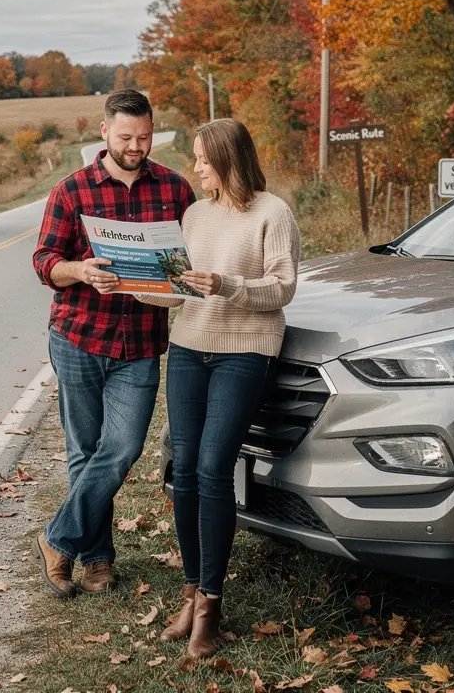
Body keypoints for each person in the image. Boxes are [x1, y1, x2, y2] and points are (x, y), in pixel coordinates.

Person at [138, 118, 299, 658]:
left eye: (204, 159)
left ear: (228, 160)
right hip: (188, 346)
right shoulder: (193, 215)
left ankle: (210, 603)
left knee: (212, 467)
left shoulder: (273, 213)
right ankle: (189, 592)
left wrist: (227, 284)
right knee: (183, 466)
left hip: (246, 350)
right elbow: (178, 294)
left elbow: (282, 288)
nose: (197, 167)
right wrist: (139, 287)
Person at [31, 90, 196, 598]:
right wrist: (80, 270)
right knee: (84, 450)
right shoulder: (72, 191)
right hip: (79, 336)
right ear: (104, 132)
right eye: (126, 137)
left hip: (142, 343)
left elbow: (193, 259)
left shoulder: (174, 189)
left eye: (144, 137)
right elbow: (44, 263)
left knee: (121, 448)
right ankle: (97, 560)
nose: (135, 146)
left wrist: (177, 281)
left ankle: (58, 540)